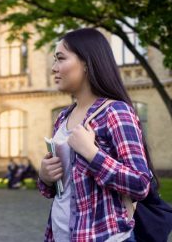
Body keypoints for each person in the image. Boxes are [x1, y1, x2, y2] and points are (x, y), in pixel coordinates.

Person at [38, 28, 155, 242]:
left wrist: (92, 154)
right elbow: (61, 191)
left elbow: (140, 184)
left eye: (60, 59)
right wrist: (45, 178)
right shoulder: (63, 118)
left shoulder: (116, 112)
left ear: (86, 62)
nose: (53, 68)